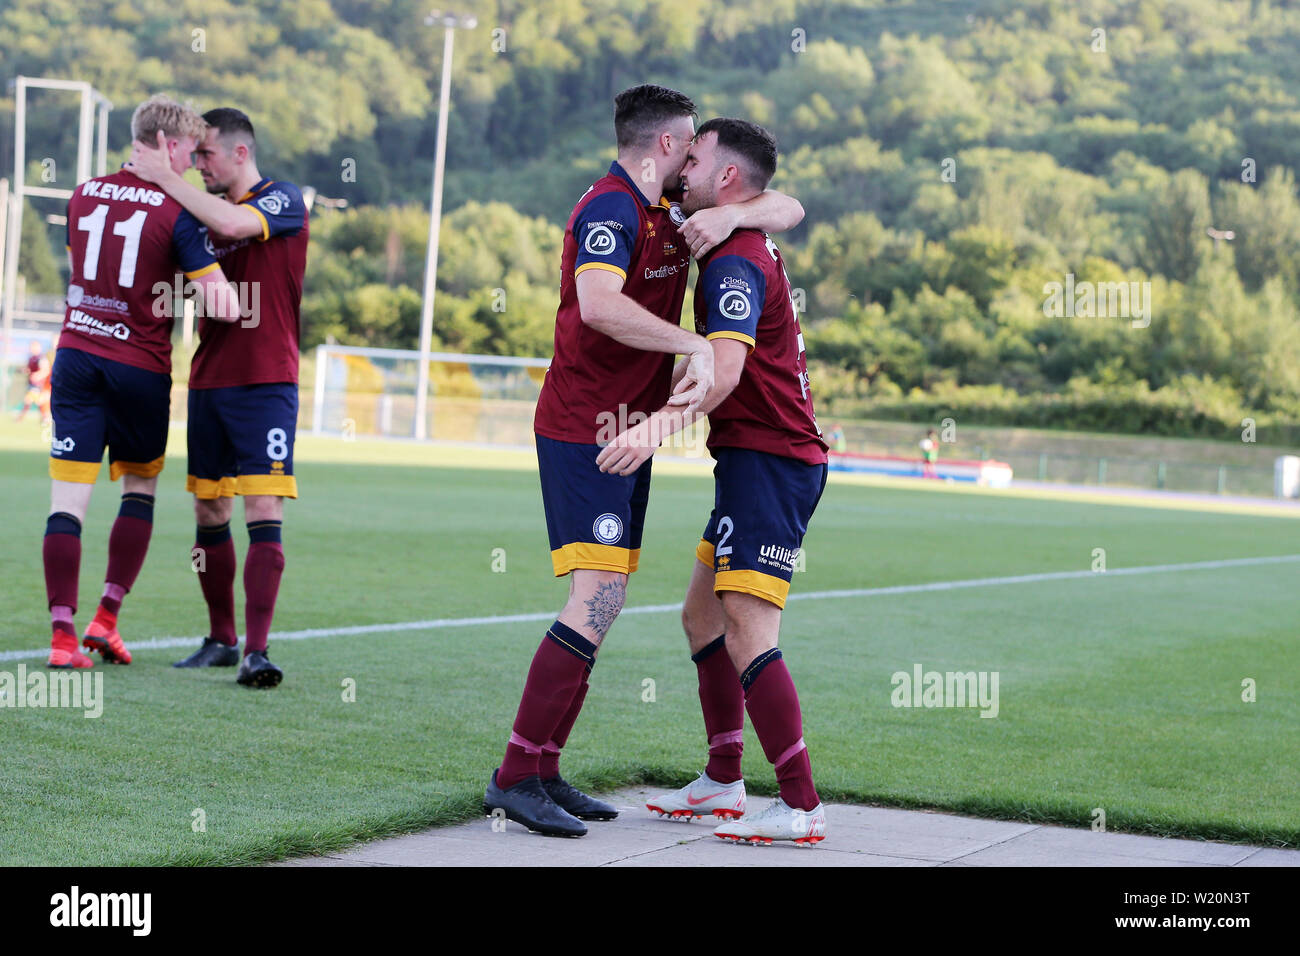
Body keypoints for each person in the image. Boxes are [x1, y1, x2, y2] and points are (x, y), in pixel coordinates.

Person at [484, 86, 805, 837]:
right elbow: (597, 306)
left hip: (630, 431)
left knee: (609, 601)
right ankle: (512, 775)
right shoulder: (610, 207)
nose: (695, 157)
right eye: (689, 144)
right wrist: (694, 345)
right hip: (586, 431)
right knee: (593, 598)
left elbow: (784, 204)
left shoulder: (673, 212)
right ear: (664, 145)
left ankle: (545, 769)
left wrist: (733, 212)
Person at [598, 118, 829, 845]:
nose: (681, 169)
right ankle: (723, 781)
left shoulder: (733, 260)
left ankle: (800, 804)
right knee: (703, 618)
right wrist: (732, 209)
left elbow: (723, 374)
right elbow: (784, 201)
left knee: (747, 625)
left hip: (771, 461)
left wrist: (651, 428)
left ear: (726, 177)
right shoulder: (724, 227)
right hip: (754, 459)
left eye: (694, 159)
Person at [43, 95, 241, 669]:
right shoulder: (176, 211)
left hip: (77, 355)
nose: (192, 165)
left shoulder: (82, 194)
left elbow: (89, 265)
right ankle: (105, 620)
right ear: (170, 145)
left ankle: (61, 636)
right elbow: (224, 304)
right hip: (139, 366)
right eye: (190, 152)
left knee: (67, 503)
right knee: (138, 491)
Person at [127, 107, 308, 689]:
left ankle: (257, 651)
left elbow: (232, 225)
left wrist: (167, 178)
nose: (196, 164)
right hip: (208, 381)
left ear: (237, 152)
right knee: (210, 510)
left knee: (263, 507)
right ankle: (222, 639)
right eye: (190, 155)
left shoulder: (284, 199)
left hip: (267, 383)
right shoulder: (192, 210)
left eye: (203, 154)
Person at [16, 340, 51, 423]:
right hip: (32, 384)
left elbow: (46, 370)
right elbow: (29, 370)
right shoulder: (31, 358)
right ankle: (45, 418)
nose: (32, 349)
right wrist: (23, 370)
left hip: (39, 384)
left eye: (34, 347)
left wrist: (38, 375)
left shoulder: (41, 358)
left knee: (30, 399)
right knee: (35, 401)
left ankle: (20, 418)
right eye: (31, 347)